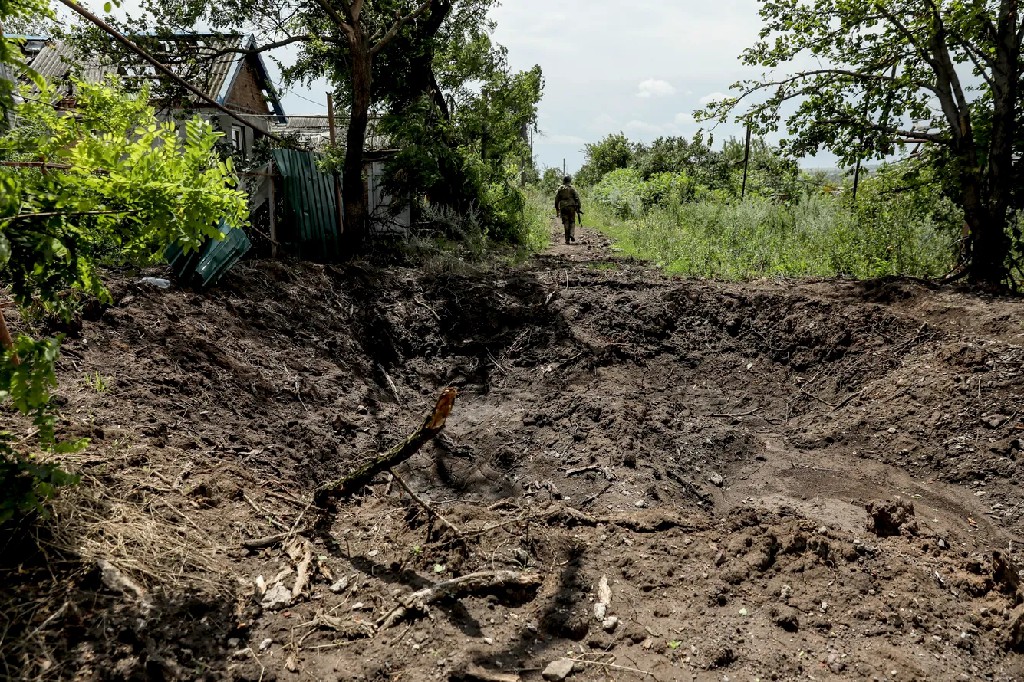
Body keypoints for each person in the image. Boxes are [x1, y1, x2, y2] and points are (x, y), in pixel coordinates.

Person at [554, 175, 581, 244]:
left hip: (563, 207)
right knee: (572, 221)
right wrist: (579, 207)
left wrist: (557, 208)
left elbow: (556, 199)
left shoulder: (560, 189)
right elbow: (577, 198)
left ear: (564, 181)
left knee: (566, 222)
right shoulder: (572, 188)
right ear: (569, 181)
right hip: (572, 206)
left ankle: (567, 240)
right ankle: (572, 234)